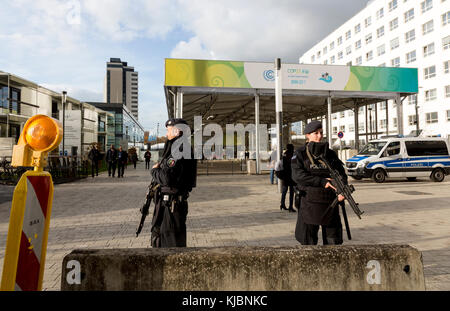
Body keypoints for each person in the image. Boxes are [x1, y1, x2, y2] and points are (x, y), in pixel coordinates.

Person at [291, 120, 347, 245]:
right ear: (307, 135)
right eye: (315, 133)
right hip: (309, 202)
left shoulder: (330, 154)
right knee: (308, 242)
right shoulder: (300, 154)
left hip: (330, 202)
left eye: (321, 132)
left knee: (333, 243)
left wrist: (343, 190)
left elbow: (341, 174)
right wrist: (321, 181)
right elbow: (297, 176)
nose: (319, 136)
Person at [150, 118, 197, 247]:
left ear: (177, 131)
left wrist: (154, 171)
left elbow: (167, 178)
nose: (166, 134)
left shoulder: (179, 148)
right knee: (164, 239)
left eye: (168, 130)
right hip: (170, 204)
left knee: (170, 243)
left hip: (172, 205)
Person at [278, 144, 296, 212]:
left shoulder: (284, 154)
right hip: (291, 175)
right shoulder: (293, 155)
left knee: (284, 191)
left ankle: (282, 204)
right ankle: (290, 206)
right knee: (291, 192)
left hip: (285, 175)